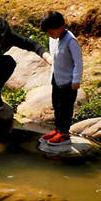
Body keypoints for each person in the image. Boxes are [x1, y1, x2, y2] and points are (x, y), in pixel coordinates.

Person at [39, 11, 83, 144]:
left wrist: (76, 80)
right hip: (57, 78)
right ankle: (58, 129)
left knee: (65, 108)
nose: (50, 35)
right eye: (48, 32)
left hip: (68, 82)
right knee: (56, 106)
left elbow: (78, 63)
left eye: (51, 31)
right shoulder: (53, 38)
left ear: (62, 27)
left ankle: (64, 132)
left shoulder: (71, 41)